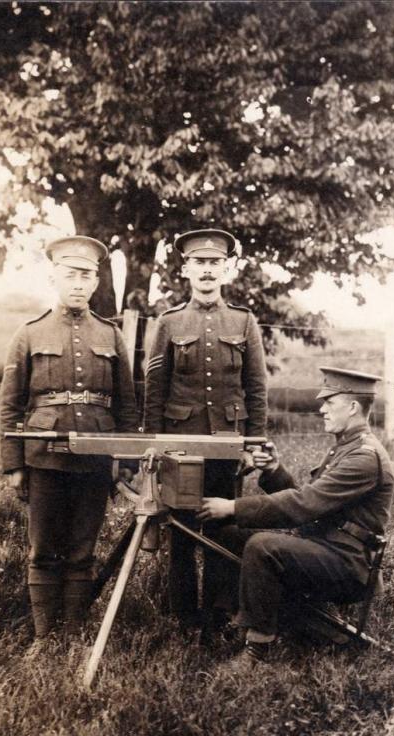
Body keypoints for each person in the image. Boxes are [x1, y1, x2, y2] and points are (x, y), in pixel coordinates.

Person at [198, 367, 394, 665]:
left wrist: (233, 507)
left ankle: (257, 649)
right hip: (328, 549)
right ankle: (230, 618)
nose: (321, 409)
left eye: (330, 403)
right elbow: (313, 506)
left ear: (353, 407)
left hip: (349, 566)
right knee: (228, 534)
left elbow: (303, 505)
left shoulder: (363, 457)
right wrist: (273, 470)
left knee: (263, 546)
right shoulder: (346, 448)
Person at [0, 235, 139, 651]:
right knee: (44, 548)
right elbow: (10, 405)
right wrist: (14, 464)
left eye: (87, 275)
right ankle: (45, 636)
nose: (79, 283)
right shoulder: (28, 333)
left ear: (96, 282)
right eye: (70, 275)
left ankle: (74, 634)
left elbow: (127, 404)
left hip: (96, 456)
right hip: (43, 455)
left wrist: (125, 459)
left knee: (82, 548)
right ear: (54, 277)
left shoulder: (110, 335)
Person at [143, 228, 267, 632]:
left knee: (223, 528)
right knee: (180, 531)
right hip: (179, 446)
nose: (208, 271)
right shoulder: (169, 323)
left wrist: (252, 444)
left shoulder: (244, 322)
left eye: (215, 264)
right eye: (200, 263)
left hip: (227, 444)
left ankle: (218, 614)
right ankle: (183, 616)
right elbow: (155, 390)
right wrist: (155, 445)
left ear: (227, 270)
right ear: (186, 270)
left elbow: (256, 390)